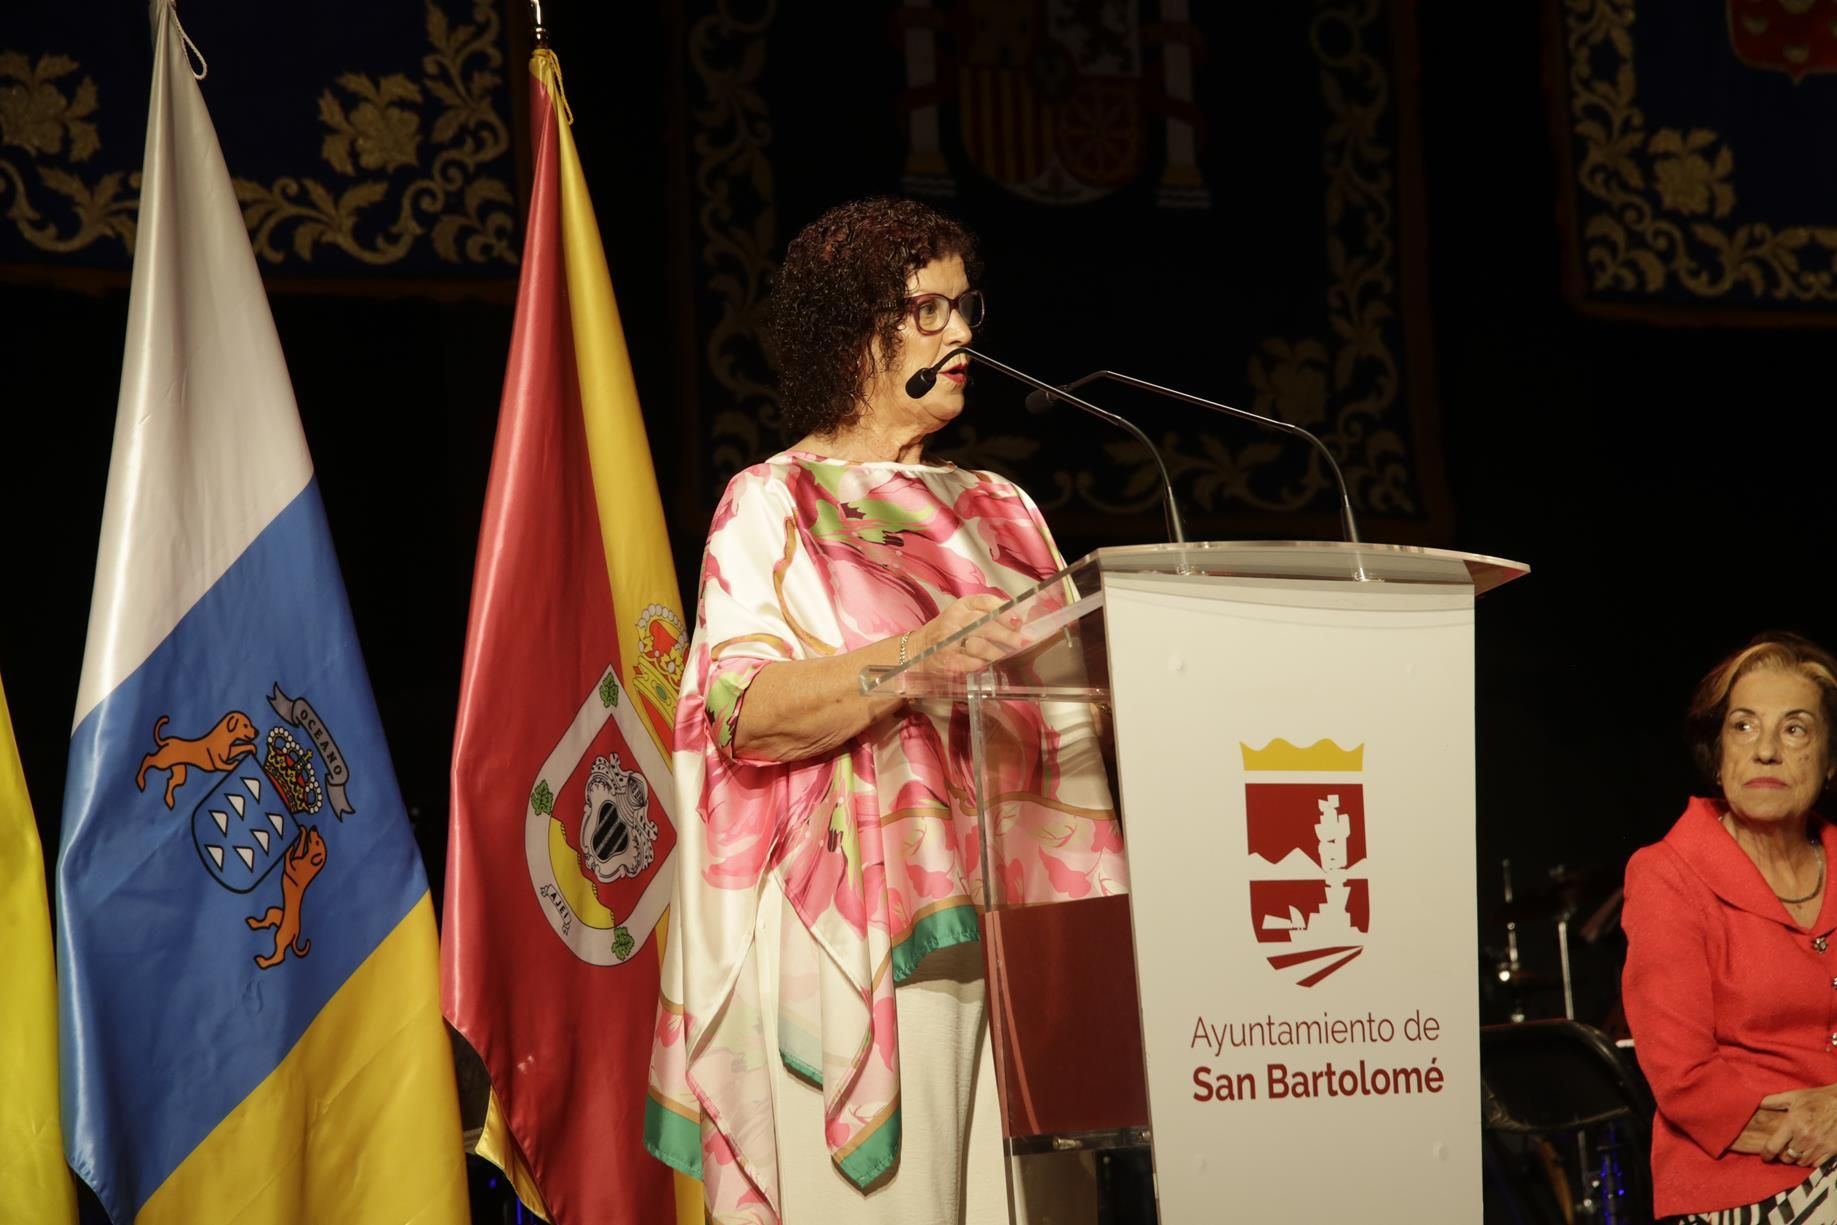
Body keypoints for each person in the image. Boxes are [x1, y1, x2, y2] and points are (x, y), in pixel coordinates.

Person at [644, 197, 1126, 1225]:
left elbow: (1072, 716)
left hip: (1025, 941)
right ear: (858, 329)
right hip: (862, 931)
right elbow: (745, 712)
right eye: (928, 309)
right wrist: (915, 656)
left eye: (964, 306)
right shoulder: (771, 503)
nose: (961, 333)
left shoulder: (1006, 508)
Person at [1622, 630, 1837, 1222]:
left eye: (1795, 729)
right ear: (1718, 756)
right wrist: (1812, 1133)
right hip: (1736, 1184)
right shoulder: (1668, 873)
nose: (1766, 749)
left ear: (1829, 759)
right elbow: (1685, 1079)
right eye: (1743, 726)